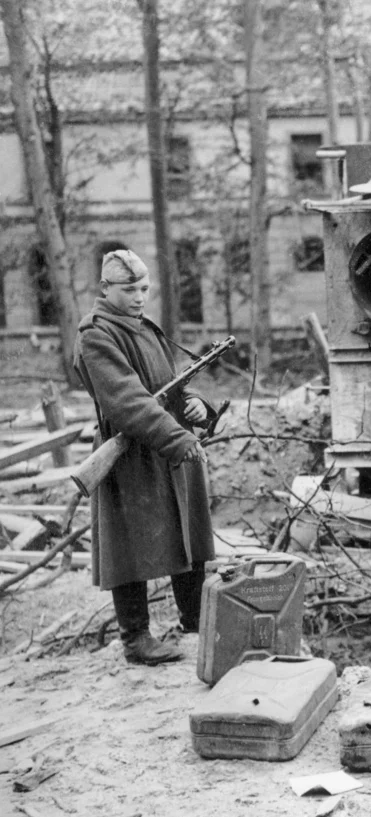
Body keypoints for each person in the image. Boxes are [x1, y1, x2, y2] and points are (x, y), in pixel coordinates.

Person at [73, 250, 215, 665]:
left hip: (165, 442)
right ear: (104, 289)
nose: (139, 297)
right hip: (131, 451)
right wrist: (178, 438)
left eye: (144, 288)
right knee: (127, 546)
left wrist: (196, 406)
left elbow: (168, 383)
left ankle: (196, 623)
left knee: (189, 530)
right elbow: (128, 402)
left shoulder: (145, 328)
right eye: (129, 289)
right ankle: (135, 638)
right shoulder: (95, 335)